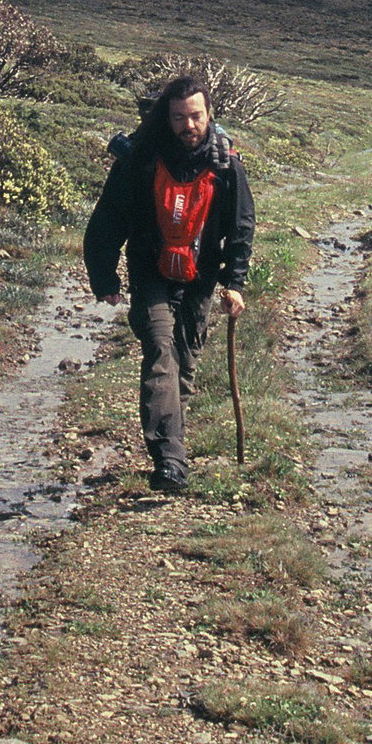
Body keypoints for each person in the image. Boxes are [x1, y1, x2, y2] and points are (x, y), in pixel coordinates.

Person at [82, 74, 257, 493]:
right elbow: (108, 220)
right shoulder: (140, 160)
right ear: (167, 117)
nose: (188, 126)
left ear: (209, 114)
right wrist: (104, 276)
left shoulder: (226, 164)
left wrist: (234, 282)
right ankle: (170, 461)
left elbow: (240, 226)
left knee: (183, 363)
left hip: (200, 276)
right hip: (149, 271)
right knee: (161, 351)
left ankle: (170, 435)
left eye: (195, 116)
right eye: (178, 117)